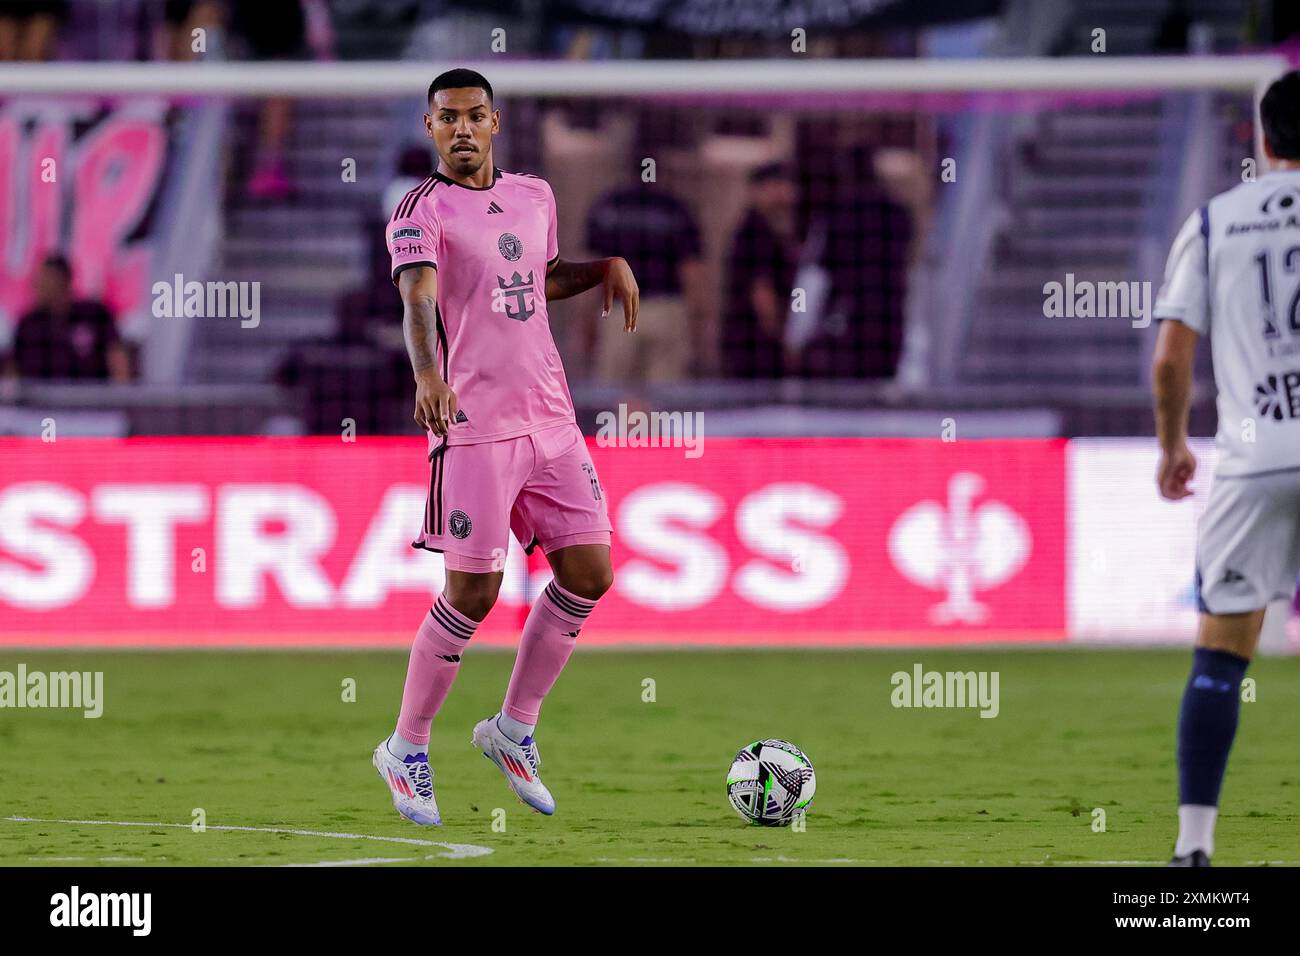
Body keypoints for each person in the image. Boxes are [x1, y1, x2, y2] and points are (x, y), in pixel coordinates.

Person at [373, 69, 639, 825]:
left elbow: (538, 277)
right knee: (475, 594)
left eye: (475, 116)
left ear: (496, 122)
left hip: (551, 420)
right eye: (448, 118)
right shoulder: (419, 211)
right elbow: (419, 299)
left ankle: (514, 729)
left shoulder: (534, 195)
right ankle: (407, 747)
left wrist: (605, 269)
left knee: (590, 573)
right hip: (476, 426)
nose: (462, 129)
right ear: (430, 127)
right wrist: (428, 375)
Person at [1151, 69, 1300, 866]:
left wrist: (1174, 445)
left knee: (1220, 653)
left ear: (1263, 141)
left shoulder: (1215, 223)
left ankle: (1194, 846)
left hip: (1255, 459)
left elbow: (1172, 358)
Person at [585, 163, 704, 382]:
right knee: (664, 399)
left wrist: (586, 323)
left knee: (612, 396)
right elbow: (692, 274)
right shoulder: (676, 210)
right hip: (666, 309)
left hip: (618, 310)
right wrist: (697, 327)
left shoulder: (608, 208)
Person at [722, 162, 798, 379]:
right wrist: (782, 338)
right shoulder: (756, 232)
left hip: (750, 342)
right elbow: (761, 291)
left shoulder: (767, 230)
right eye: (780, 185)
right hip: (755, 345)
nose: (789, 193)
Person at [7, 255, 130, 382]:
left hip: (90, 398)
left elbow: (117, 358)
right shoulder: (28, 324)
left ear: (63, 280)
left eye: (45, 280)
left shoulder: (94, 314)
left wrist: (122, 394)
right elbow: (13, 371)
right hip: (39, 399)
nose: (37, 286)